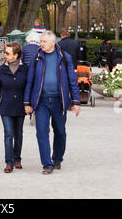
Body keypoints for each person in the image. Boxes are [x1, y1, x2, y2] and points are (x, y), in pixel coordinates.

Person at [24, 31, 80, 175]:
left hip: (59, 101)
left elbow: (72, 80)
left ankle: (57, 158)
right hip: (41, 101)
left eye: (44, 41)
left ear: (53, 43)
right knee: (41, 132)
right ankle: (47, 164)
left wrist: (76, 101)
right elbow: (29, 80)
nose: (41, 43)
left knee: (60, 132)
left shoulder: (64, 57)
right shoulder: (37, 57)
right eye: (41, 41)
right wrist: (27, 102)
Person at [0, 41, 28, 173]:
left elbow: (29, 88)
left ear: (16, 55)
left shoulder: (25, 69)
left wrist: (30, 104)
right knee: (8, 134)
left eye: (8, 53)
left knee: (19, 134)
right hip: (5, 106)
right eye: (5, 53)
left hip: (20, 107)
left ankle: (17, 158)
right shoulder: (2, 70)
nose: (5, 55)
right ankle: (9, 162)